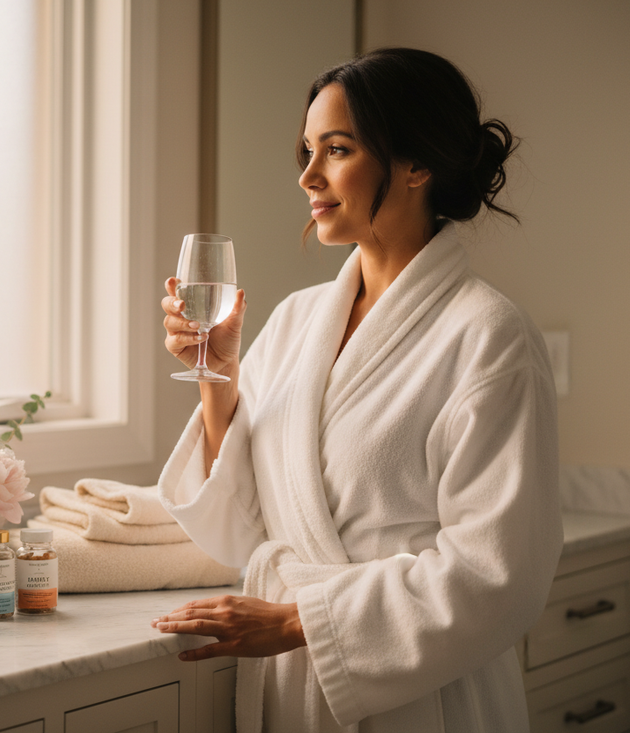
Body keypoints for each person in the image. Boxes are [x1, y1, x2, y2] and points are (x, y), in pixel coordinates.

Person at [152, 48, 563, 733]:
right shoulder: (295, 320)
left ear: (416, 164)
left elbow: (500, 576)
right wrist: (216, 375)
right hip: (292, 687)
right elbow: (246, 527)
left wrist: (297, 620)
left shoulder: (490, 337)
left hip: (428, 699)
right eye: (307, 151)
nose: (309, 175)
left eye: (336, 149)